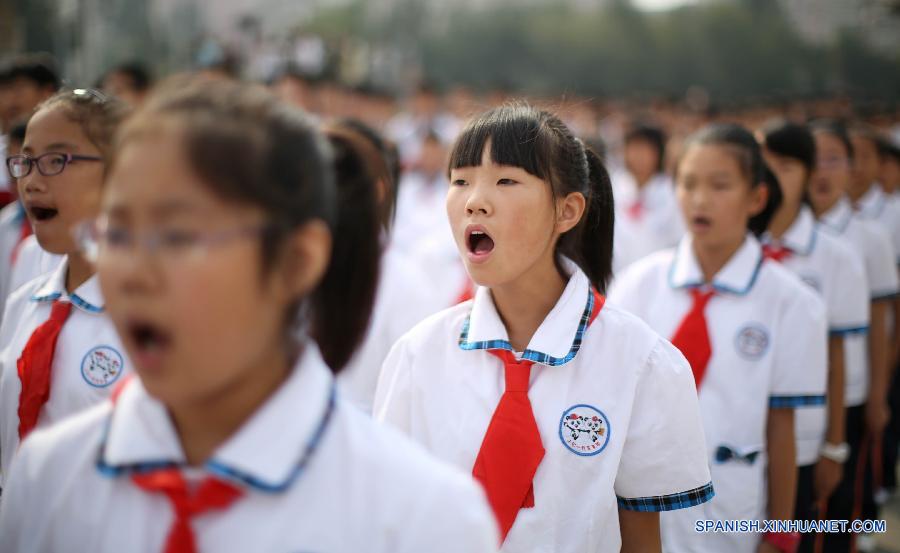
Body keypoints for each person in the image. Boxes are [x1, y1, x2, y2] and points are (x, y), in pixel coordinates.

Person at [0, 80, 498, 553]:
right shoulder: (49, 478)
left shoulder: (422, 517)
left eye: (178, 237)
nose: (133, 275)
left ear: (297, 259)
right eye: (117, 235)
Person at [376, 104, 713, 552]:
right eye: (460, 180)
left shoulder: (640, 362)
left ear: (567, 210)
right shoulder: (418, 356)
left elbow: (641, 537)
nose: (474, 199)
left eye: (506, 180)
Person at [610, 123, 829, 553]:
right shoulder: (639, 284)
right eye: (688, 184)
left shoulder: (791, 301)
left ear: (756, 197)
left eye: (720, 185)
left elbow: (781, 424)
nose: (700, 199)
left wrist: (781, 534)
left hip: (731, 506)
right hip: (639, 506)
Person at [759, 120, 870, 552]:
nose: (772, 177)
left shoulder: (836, 256)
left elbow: (837, 356)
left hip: (805, 435)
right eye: (764, 165)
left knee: (803, 538)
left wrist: (834, 445)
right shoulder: (740, 249)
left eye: (785, 166)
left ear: (806, 173)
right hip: (745, 435)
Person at [808, 120, 899, 553]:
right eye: (813, 159)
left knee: (844, 499)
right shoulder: (779, 234)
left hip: (854, 391)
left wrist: (879, 394)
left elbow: (884, 320)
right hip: (801, 388)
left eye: (834, 159)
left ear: (851, 168)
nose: (822, 171)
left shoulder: (870, 238)